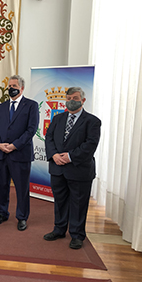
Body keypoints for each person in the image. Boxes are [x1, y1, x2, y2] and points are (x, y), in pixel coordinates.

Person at [44, 87, 101, 249]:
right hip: (57, 168)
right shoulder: (58, 118)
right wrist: (54, 155)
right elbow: (49, 138)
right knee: (60, 201)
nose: (71, 101)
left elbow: (90, 145)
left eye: (75, 98)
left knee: (78, 203)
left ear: (83, 100)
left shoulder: (93, 121)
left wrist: (69, 157)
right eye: (68, 98)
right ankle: (59, 229)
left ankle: (77, 235)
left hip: (79, 169)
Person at [0, 75, 39, 230]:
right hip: (2, 154)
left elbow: (31, 130)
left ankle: (22, 216)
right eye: (9, 86)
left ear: (22, 88)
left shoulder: (31, 105)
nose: (11, 88)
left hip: (20, 154)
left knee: (21, 188)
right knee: (1, 186)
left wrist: (14, 145)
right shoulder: (2, 107)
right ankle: (2, 213)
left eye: (14, 86)